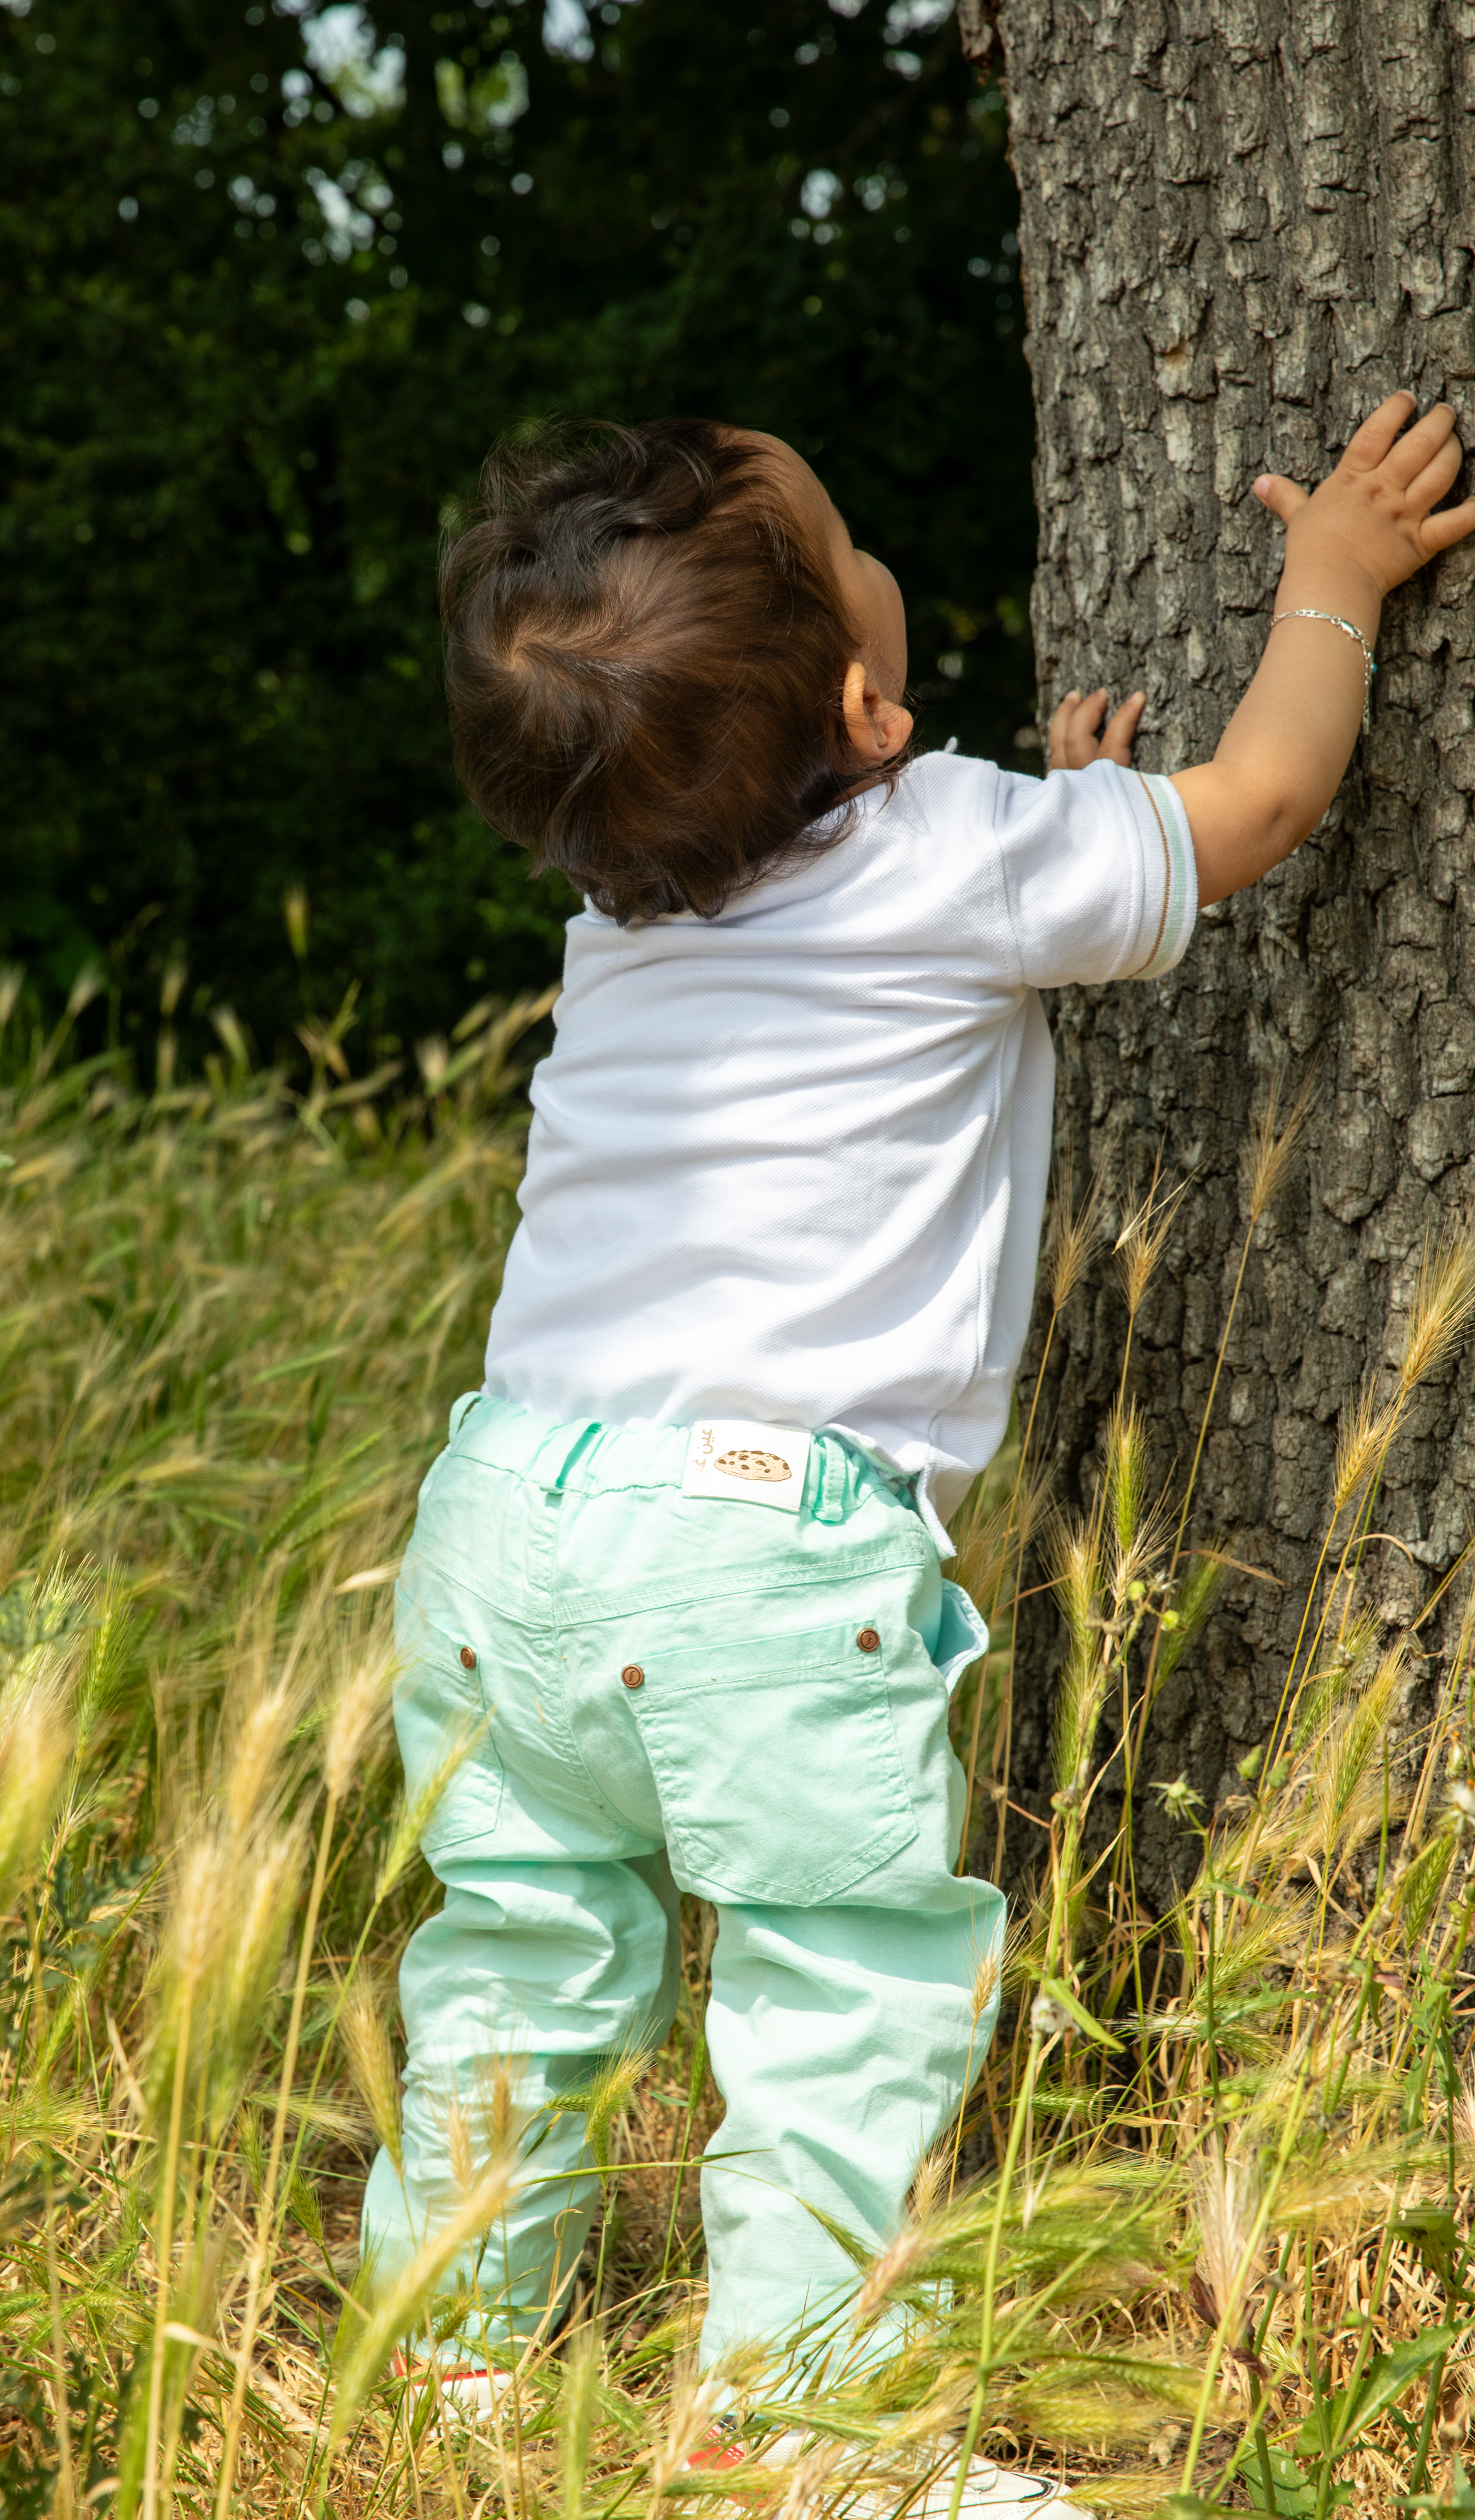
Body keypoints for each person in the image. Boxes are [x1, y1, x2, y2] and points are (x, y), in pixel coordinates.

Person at [358, 394, 1472, 2502]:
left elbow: (888, 962)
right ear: (868, 712)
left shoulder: (625, 906)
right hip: (757, 1565)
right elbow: (1257, 802)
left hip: (502, 1526)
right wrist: (1331, 583)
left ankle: (448, 2346)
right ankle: (811, 2431)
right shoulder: (953, 843)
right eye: (850, 538)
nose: (877, 554)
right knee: (840, 1993)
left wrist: (1065, 815)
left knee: (516, 1951)